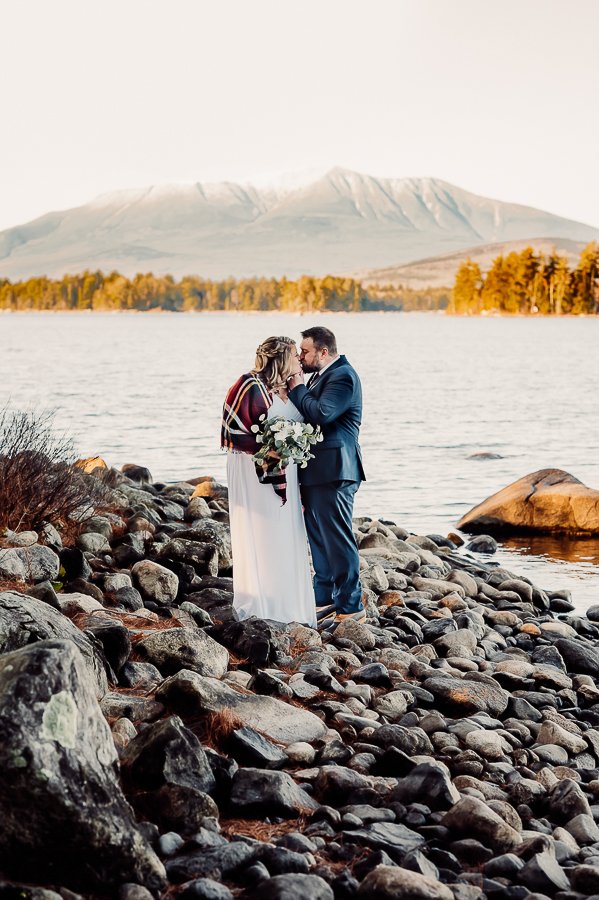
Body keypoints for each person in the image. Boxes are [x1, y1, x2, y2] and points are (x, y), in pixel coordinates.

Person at [221, 336, 316, 626]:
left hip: (286, 469)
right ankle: (260, 600)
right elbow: (236, 431)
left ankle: (288, 602)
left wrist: (290, 445)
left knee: (286, 532)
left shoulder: (295, 389)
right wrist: (269, 446)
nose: (299, 359)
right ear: (281, 359)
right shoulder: (250, 385)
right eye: (294, 355)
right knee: (261, 530)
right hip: (253, 470)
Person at [287, 326, 366, 624]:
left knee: (338, 539)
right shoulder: (321, 375)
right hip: (317, 471)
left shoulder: (343, 376)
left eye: (305, 351)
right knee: (318, 539)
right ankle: (323, 598)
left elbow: (320, 413)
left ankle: (351, 605)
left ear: (323, 352)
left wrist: (296, 387)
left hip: (336, 471)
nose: (300, 356)